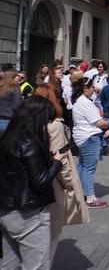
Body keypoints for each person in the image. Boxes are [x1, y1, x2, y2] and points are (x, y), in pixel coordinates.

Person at [0, 96, 65, 269]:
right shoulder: (30, 142)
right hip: (29, 212)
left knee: (8, 264)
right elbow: (41, 182)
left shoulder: (7, 137)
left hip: (6, 209)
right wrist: (57, 162)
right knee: (36, 264)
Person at [32, 85, 89, 262]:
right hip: (54, 180)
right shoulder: (55, 125)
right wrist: (69, 183)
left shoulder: (31, 121)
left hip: (37, 177)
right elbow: (60, 157)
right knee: (53, 229)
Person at [71, 76, 109, 208]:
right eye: (92, 87)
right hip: (89, 137)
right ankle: (90, 198)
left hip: (83, 137)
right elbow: (99, 122)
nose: (94, 89)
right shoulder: (85, 103)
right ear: (85, 89)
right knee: (89, 168)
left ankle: (77, 192)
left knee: (82, 166)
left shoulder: (80, 101)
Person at [0, 70, 21, 136]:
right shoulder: (14, 88)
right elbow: (17, 106)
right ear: (12, 77)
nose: (19, 77)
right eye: (17, 76)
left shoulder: (1, 87)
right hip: (9, 121)